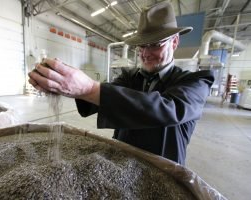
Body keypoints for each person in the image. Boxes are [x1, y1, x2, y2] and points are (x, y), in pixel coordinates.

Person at [28, 1, 214, 165]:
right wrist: (61, 82)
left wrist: (88, 87)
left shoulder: (195, 82)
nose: (145, 53)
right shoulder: (129, 78)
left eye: (155, 44)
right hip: (121, 166)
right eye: (142, 45)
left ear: (174, 42)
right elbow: (98, 99)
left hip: (163, 172)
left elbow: (168, 109)